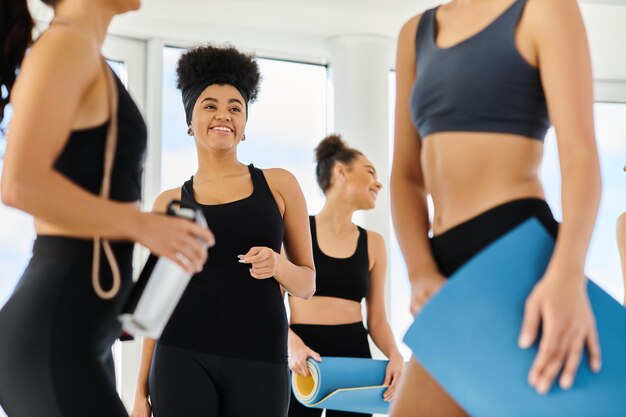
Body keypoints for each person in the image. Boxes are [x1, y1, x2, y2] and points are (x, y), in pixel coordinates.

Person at [0, 1, 214, 416]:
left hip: (79, 332)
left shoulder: (80, 50)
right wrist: (142, 226)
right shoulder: (66, 46)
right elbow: (19, 183)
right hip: (54, 336)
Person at [389, 0, 602, 415]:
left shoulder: (544, 9)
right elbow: (405, 176)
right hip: (443, 266)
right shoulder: (414, 34)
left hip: (515, 254)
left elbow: (580, 157)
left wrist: (567, 274)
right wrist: (419, 273)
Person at [130, 44, 316, 417]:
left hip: (261, 357)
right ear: (189, 120)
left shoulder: (280, 185)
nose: (224, 115)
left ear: (245, 125)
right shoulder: (169, 203)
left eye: (235, 107)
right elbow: (157, 302)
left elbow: (307, 284)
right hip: (181, 354)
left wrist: (278, 267)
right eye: (210, 105)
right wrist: (138, 391)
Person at [287, 135, 404, 417]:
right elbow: (267, 306)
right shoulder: (295, 232)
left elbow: (376, 320)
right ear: (340, 171)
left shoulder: (374, 243)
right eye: (370, 173)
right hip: (303, 355)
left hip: (355, 357)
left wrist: (395, 356)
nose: (378, 183)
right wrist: (291, 344)